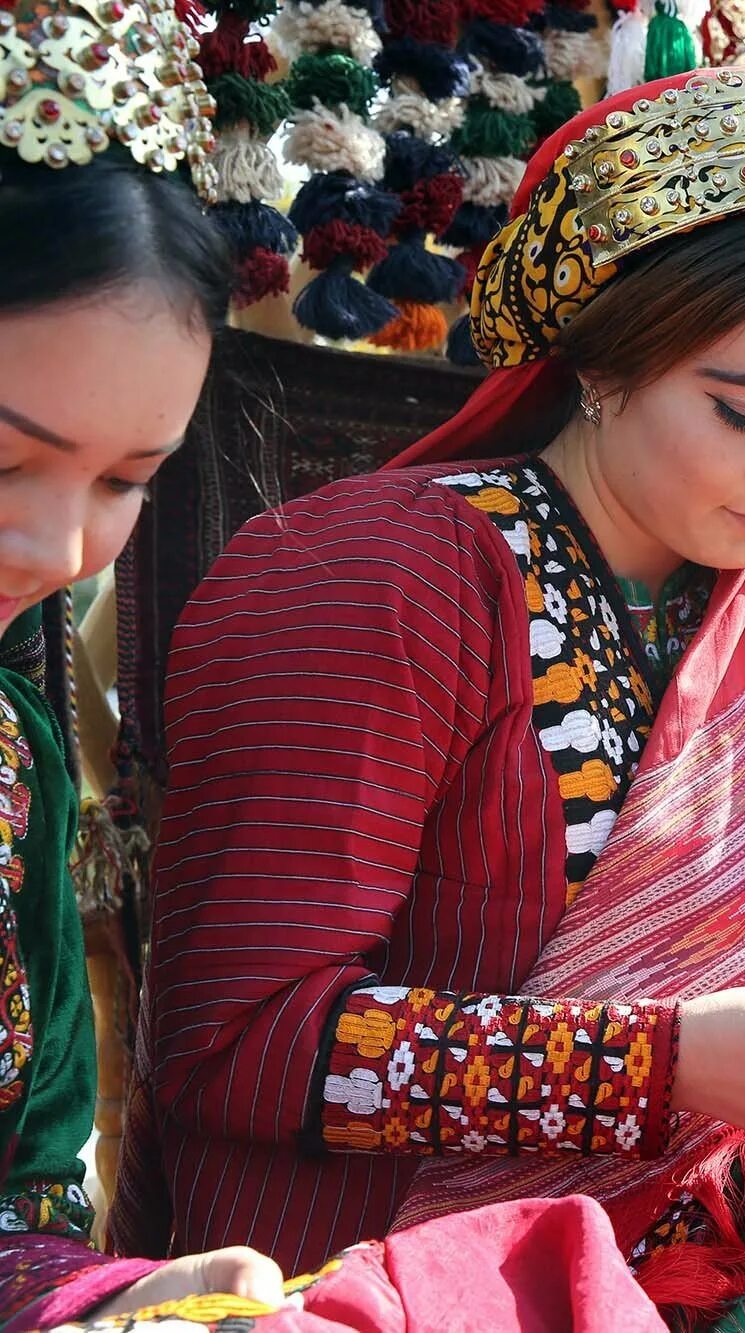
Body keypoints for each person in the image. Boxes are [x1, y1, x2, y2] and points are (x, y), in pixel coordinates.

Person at [110, 68, 745, 1327]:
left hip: (684, 1278)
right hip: (370, 1289)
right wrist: (666, 1065)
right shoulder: (380, 576)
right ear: (602, 361)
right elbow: (233, 1045)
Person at [0, 1, 304, 1324]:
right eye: (3, 457)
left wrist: (100, 1296)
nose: (58, 544)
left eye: (128, 481)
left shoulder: (14, 736)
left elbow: (21, 1194)